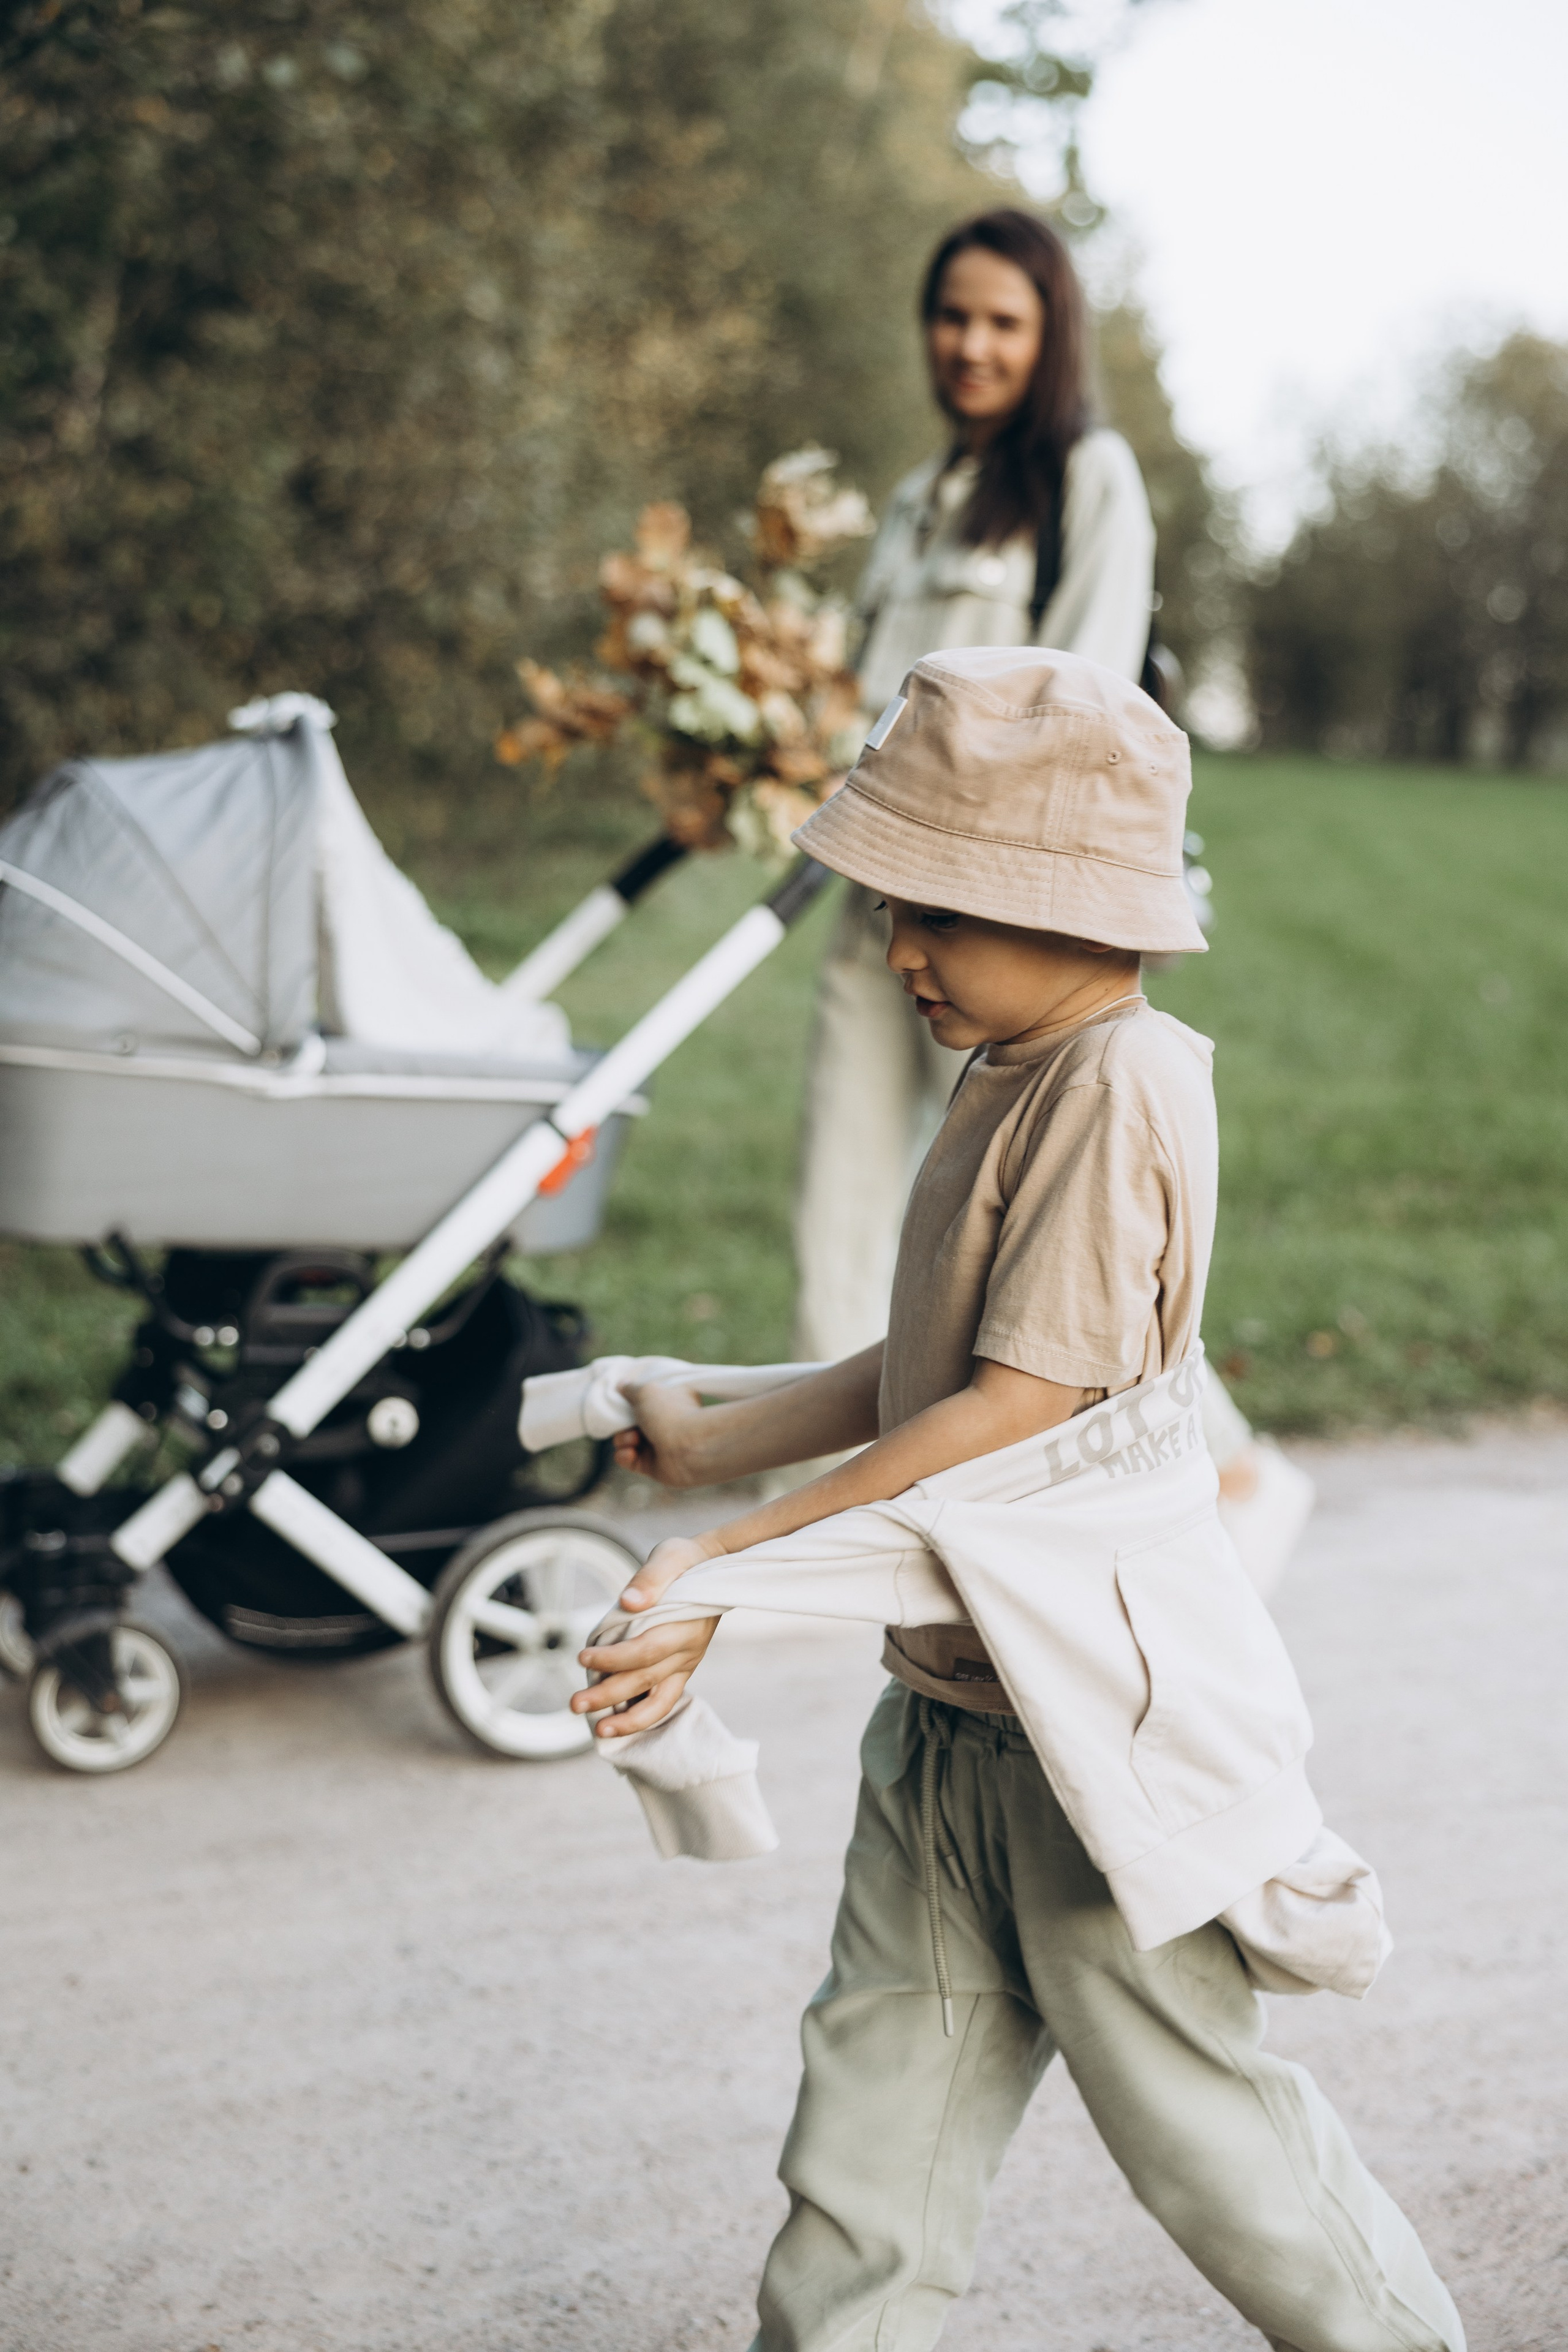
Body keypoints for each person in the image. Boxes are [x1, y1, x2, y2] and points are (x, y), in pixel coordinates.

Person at [575, 649, 1463, 2352]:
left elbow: (1013, 1413)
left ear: (1076, 908)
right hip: (941, 1732)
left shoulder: (1120, 1086)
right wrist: (720, 1440)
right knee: (864, 2169)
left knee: (1223, 2160)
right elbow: (935, 1361)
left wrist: (727, 1566)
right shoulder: (1011, 1061)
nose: (900, 949)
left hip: (1078, 1746)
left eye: (940, 910)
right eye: (894, 906)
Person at [794, 205, 1310, 1590]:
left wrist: (998, 894)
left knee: (1043, 1218)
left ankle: (1224, 1463)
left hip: (1001, 911)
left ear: (1047, 335)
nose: (969, 344)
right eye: (950, 317)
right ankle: (855, 1509)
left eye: (1001, 322)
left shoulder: (1087, 479)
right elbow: (861, 694)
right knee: (842, 1190)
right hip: (868, 895)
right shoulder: (914, 501)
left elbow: (1076, 705)